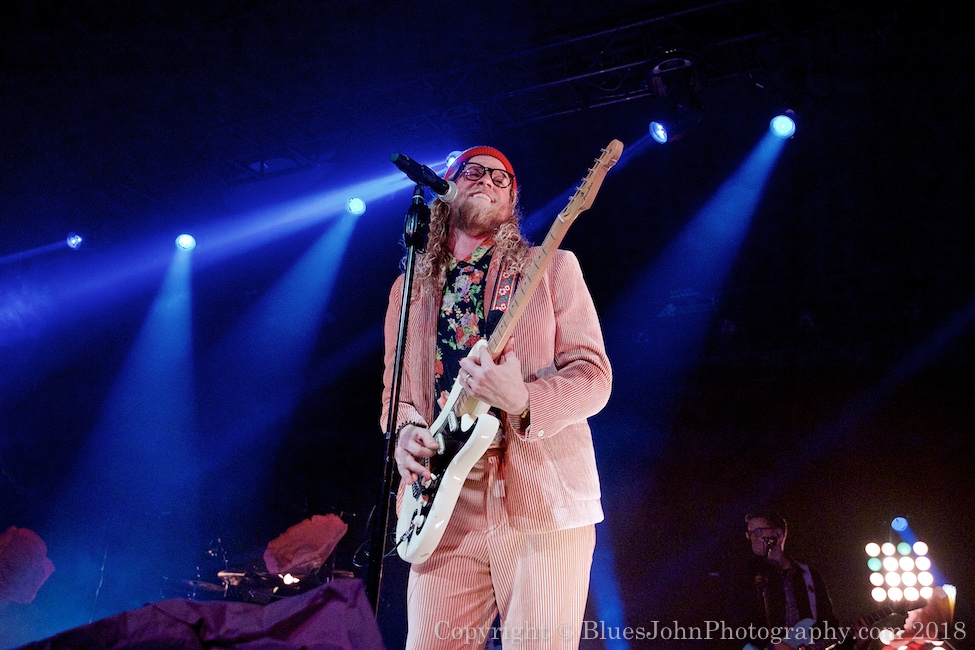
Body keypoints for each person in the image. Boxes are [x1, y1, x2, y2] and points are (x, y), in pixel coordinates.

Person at [380, 145, 612, 649]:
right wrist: (405, 435)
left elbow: (595, 377)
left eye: (501, 177)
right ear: (446, 187)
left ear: (513, 202)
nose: (486, 179)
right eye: (473, 171)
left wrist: (524, 398)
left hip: (536, 494)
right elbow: (395, 398)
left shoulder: (551, 266)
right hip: (443, 501)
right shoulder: (409, 290)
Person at [740, 512, 843, 650]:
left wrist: (855, 640)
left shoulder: (809, 575)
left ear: (778, 534)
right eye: (750, 533)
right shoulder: (747, 576)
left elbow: (828, 625)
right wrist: (770, 644)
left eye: (758, 532)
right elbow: (736, 623)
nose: (752, 537)